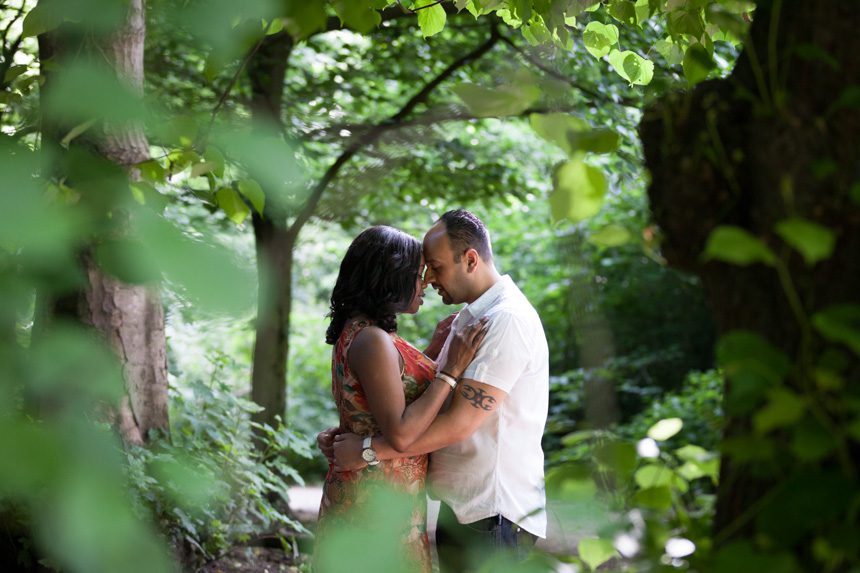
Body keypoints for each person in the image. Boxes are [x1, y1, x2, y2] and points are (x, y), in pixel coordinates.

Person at [320, 210, 550, 573]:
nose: (427, 279)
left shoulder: (507, 321)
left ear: (470, 259)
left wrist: (367, 448)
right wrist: (358, 425)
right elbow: (409, 396)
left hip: (492, 510)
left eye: (435, 267)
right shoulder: (466, 320)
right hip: (458, 506)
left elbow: (459, 423)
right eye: (421, 269)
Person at [314, 225, 488, 573]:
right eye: (417, 273)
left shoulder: (361, 332)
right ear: (390, 277)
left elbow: (383, 399)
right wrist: (450, 370)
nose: (424, 282)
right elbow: (402, 433)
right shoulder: (373, 339)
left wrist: (433, 351)